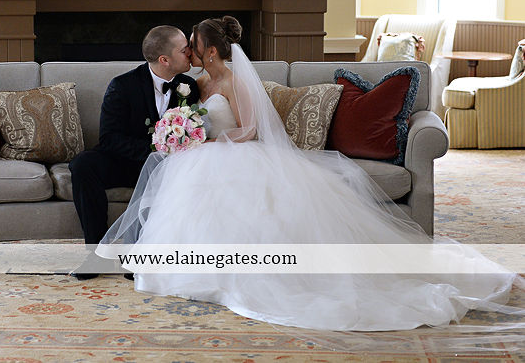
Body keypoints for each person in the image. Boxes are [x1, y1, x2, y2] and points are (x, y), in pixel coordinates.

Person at [97, 16, 525, 333]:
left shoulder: (233, 82)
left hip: (233, 153)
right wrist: (186, 135)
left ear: (210, 52)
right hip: (201, 155)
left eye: (193, 46)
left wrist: (208, 141)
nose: (188, 52)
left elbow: (249, 129)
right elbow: (187, 116)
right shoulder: (195, 84)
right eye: (185, 47)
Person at [69, 25, 199, 279]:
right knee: (83, 164)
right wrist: (156, 148)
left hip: (167, 167)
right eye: (185, 50)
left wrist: (168, 153)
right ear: (165, 59)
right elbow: (109, 139)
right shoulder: (122, 85)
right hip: (126, 162)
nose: (190, 53)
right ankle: (97, 255)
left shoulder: (189, 86)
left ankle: (141, 254)